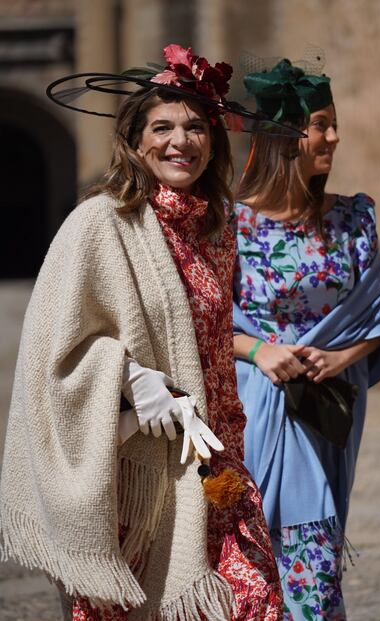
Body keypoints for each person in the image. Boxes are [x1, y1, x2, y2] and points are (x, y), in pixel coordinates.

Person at [0, 45, 306, 620]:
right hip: (135, 478)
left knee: (255, 604)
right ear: (135, 141)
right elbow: (52, 349)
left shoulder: (217, 228)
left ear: (213, 141)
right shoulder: (98, 221)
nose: (180, 141)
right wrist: (128, 375)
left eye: (195, 127)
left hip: (216, 458)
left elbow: (221, 333)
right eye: (162, 126)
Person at [232, 57, 380, 620]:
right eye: (320, 124)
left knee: (316, 555)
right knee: (259, 562)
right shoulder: (230, 225)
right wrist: (261, 350)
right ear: (283, 136)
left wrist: (341, 355)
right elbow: (199, 320)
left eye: (334, 122)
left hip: (326, 410)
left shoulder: (353, 220)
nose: (334, 135)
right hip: (253, 413)